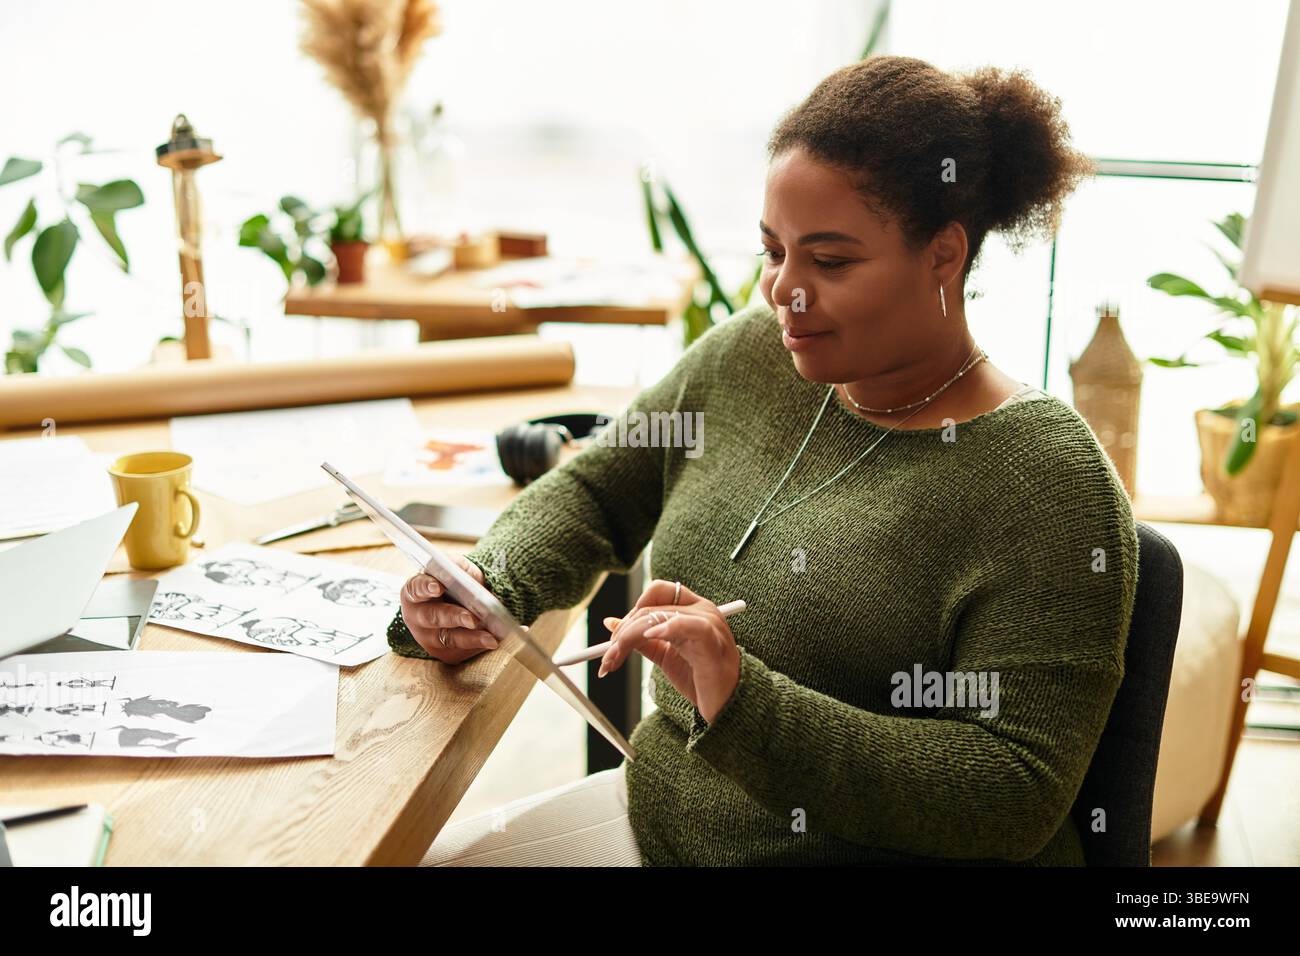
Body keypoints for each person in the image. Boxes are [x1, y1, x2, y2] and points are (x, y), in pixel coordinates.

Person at [391, 54, 1137, 866]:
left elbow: (1012, 794)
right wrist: (487, 586)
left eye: (830, 261)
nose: (785, 291)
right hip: (665, 825)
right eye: (772, 250)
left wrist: (744, 701)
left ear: (943, 255)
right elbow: (600, 490)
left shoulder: (1048, 484)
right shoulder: (752, 356)